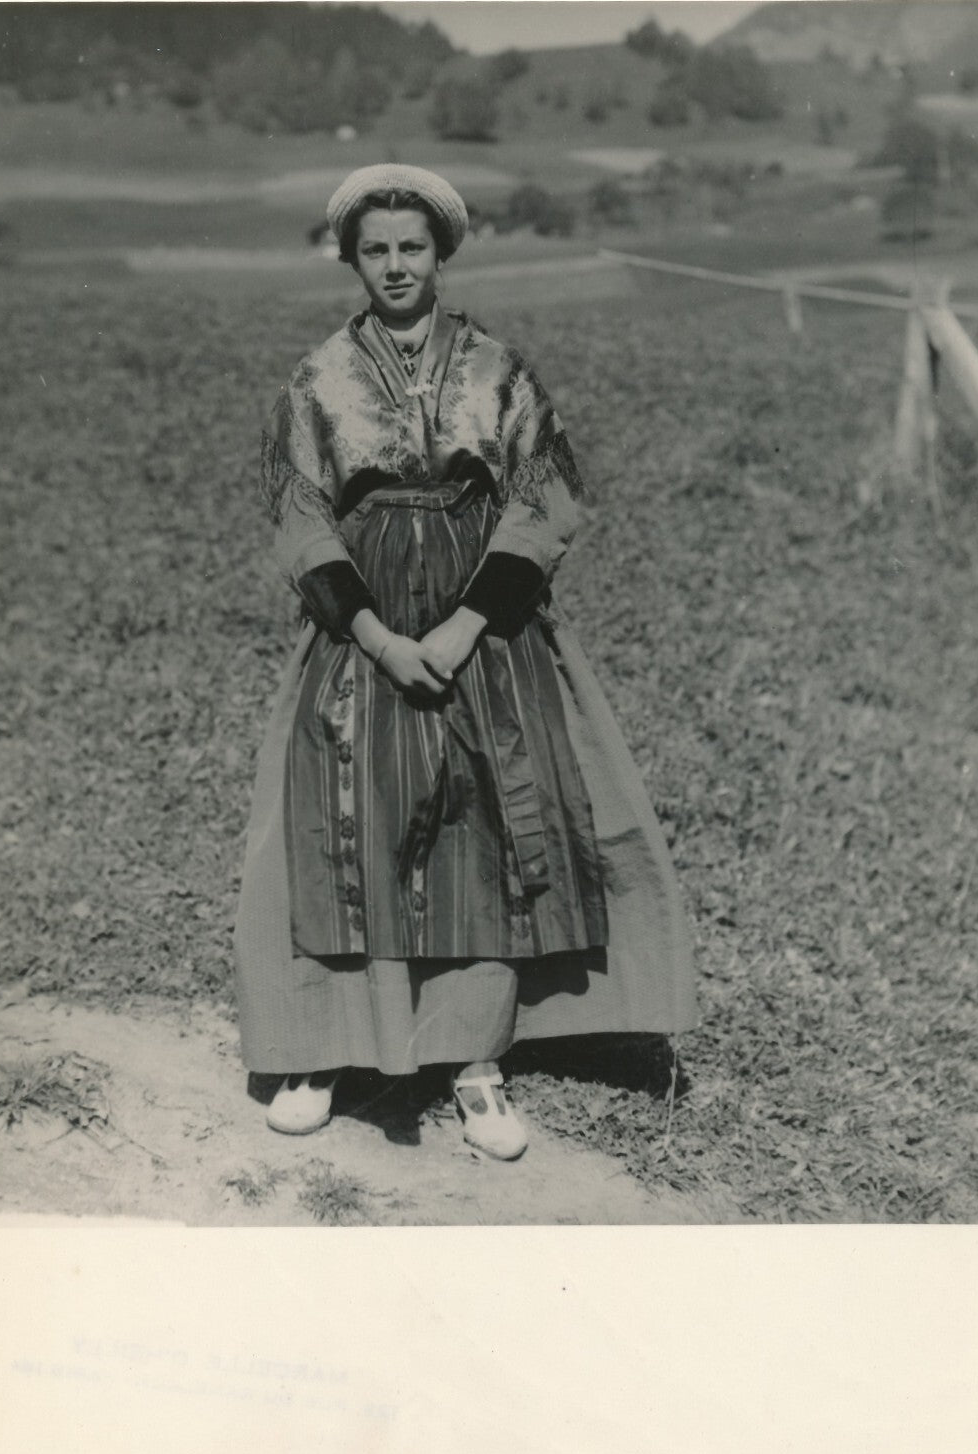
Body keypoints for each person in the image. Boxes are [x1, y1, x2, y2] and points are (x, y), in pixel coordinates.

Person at [234, 163, 697, 1161]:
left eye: (412, 247)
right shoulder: (317, 378)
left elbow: (544, 496)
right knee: (348, 813)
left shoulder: (499, 369)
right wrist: (378, 637)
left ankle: (474, 1060)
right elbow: (300, 514)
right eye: (375, 250)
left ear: (440, 253)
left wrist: (459, 628)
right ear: (351, 259)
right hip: (364, 624)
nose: (395, 266)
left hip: (484, 624)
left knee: (481, 825)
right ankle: (328, 1049)